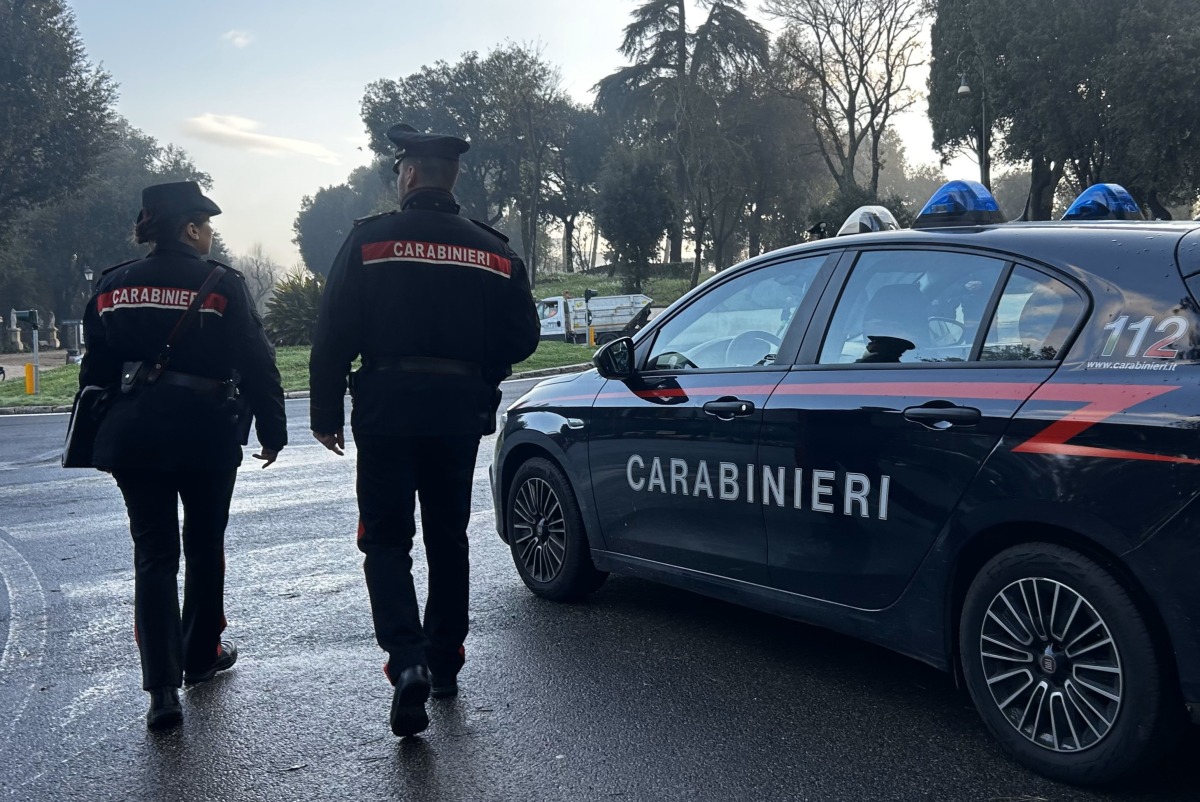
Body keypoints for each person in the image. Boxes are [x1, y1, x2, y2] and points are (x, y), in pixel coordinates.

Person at [309, 123, 539, 737]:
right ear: (452, 178)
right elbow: (523, 337)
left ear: (408, 175)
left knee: (385, 539)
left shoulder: (369, 241)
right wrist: (478, 375)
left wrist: (326, 414)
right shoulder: (494, 250)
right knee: (448, 535)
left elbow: (332, 334)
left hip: (386, 410)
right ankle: (444, 662)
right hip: (458, 412)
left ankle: (405, 659)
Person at [79, 181, 288, 729]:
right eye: (207, 226)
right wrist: (272, 429)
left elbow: (94, 377)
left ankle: (162, 691)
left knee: (152, 556)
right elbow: (258, 361)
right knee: (203, 544)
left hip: (135, 435)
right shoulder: (221, 283)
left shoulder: (111, 286)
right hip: (206, 433)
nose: (211, 235)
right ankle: (201, 656)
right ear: (191, 229)